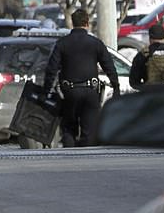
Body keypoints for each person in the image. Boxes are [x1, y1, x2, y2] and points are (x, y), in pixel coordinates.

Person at [42, 9, 121, 147]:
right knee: (90, 131)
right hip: (90, 93)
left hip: (69, 93)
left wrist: (46, 91)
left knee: (68, 129)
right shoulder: (95, 43)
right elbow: (109, 66)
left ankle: (69, 160)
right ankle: (86, 161)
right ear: (87, 23)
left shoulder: (62, 43)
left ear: (73, 23)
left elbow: (51, 69)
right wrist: (116, 86)